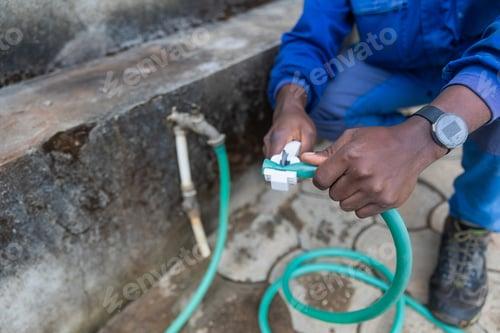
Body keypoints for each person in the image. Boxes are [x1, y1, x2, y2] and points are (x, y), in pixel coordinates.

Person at [263, 0, 500, 327]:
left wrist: (422, 140)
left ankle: (471, 221)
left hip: (480, 66)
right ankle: (396, 153)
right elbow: (312, 34)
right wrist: (289, 102)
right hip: (403, 70)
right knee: (327, 103)